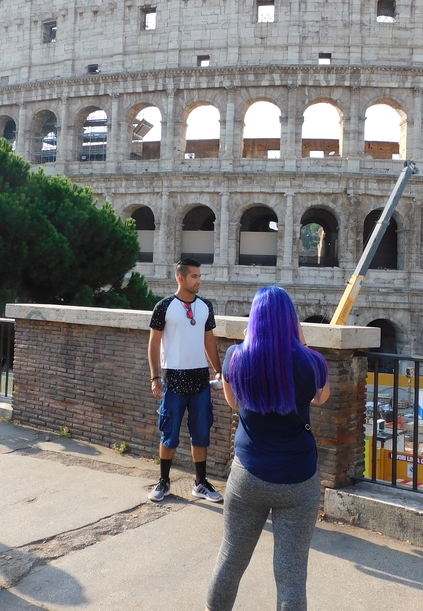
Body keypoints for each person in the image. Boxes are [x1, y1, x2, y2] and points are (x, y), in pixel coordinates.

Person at [204, 286, 330, 611]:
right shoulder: (311, 363)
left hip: (249, 474)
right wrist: (301, 344)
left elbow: (233, 404)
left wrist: (247, 344)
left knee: (230, 561)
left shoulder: (236, 357)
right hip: (298, 481)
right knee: (291, 577)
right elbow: (322, 397)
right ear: (292, 321)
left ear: (255, 319)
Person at [147, 258, 224, 503]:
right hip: (174, 378)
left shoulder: (205, 307)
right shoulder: (164, 306)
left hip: (200, 378)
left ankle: (200, 483)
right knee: (168, 433)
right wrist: (155, 376)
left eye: (200, 276)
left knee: (201, 433)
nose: (199, 280)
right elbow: (154, 342)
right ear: (181, 278)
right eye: (194, 276)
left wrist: (219, 370)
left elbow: (209, 341)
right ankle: (164, 481)